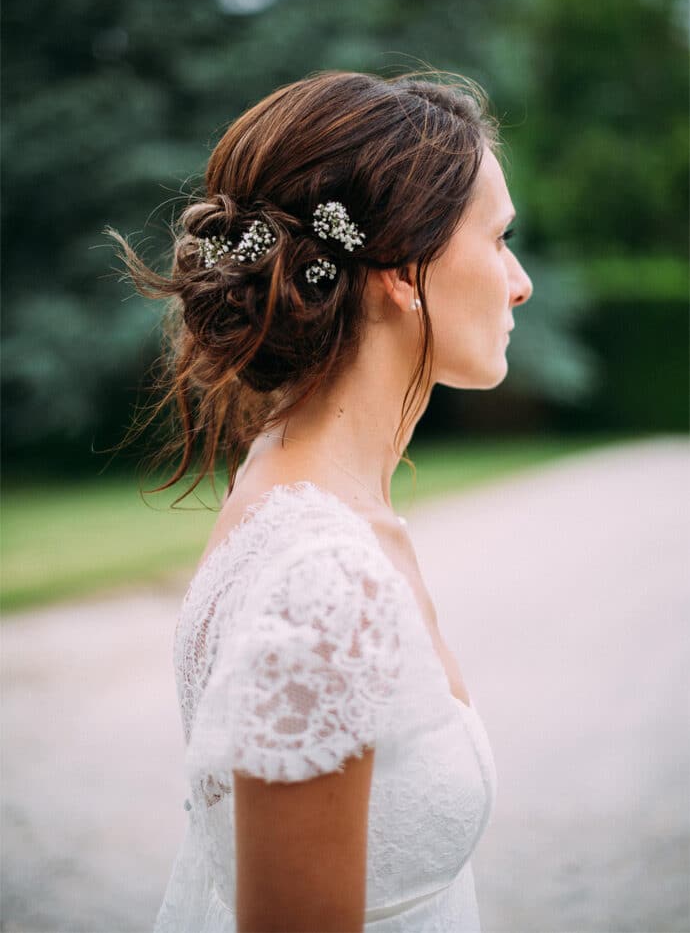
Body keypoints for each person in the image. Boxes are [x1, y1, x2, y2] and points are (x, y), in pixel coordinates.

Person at [109, 69, 533, 932]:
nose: (519, 281)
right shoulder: (323, 580)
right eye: (499, 240)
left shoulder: (286, 484)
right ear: (404, 272)